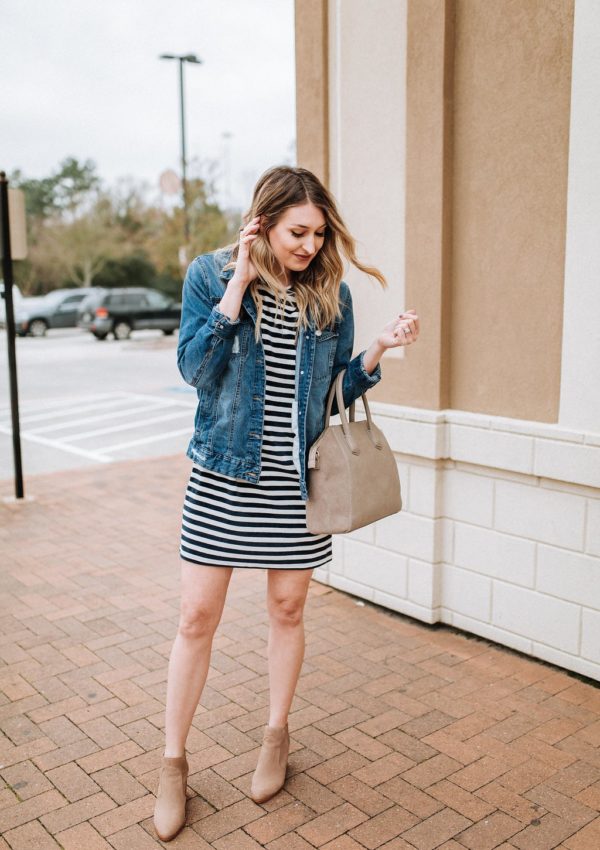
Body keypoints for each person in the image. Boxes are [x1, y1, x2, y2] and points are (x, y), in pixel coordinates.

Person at [153, 165, 420, 841]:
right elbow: (194, 370)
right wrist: (239, 285)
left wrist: (378, 351)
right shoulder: (209, 275)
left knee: (287, 608)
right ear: (263, 223)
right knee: (194, 618)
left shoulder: (330, 293)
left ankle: (276, 735)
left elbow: (335, 388)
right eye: (298, 232)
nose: (309, 246)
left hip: (293, 485)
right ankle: (173, 762)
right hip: (221, 477)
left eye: (318, 234)